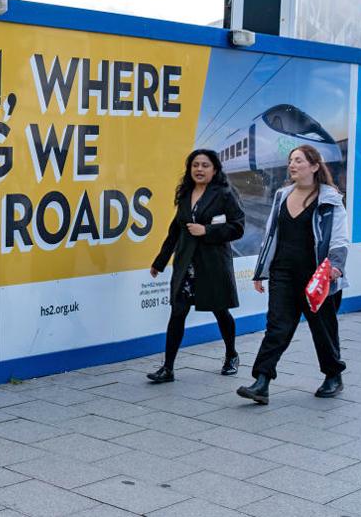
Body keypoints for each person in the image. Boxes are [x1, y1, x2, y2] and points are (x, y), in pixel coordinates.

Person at [237, 145, 349, 404]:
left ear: (314, 166)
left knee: (322, 328)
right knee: (277, 327)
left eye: (298, 160)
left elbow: (340, 238)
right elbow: (269, 235)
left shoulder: (330, 198)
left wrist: (336, 265)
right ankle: (262, 382)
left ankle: (333, 375)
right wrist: (260, 271)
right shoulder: (281, 195)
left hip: (317, 276)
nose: (292, 165)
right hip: (283, 273)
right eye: (290, 161)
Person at [147, 149, 246, 383]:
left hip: (212, 265)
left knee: (220, 311)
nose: (199, 169)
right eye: (195, 165)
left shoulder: (224, 194)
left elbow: (238, 227)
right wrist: (160, 262)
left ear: (214, 170)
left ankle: (231, 354)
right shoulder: (185, 193)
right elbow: (175, 230)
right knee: (177, 313)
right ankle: (168, 368)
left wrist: (207, 231)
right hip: (186, 265)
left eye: (205, 165)